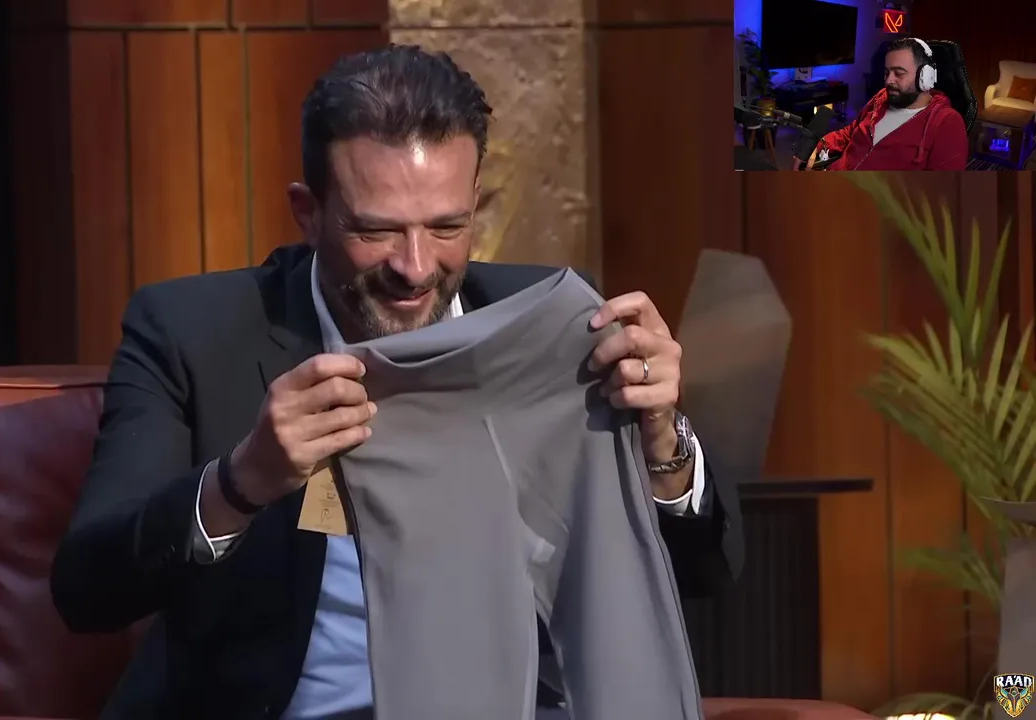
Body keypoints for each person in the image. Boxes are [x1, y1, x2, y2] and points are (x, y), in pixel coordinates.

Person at [50, 44, 743, 719]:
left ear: (477, 203)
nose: (414, 267)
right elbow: (87, 590)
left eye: (446, 226)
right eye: (375, 230)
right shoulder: (190, 333)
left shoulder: (551, 325)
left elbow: (708, 572)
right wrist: (242, 481)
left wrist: (661, 441)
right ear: (308, 212)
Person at [803, 37, 968, 171]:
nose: (889, 80)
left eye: (899, 73)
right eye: (886, 72)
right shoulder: (881, 98)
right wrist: (819, 145)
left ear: (925, 77)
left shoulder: (947, 122)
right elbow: (851, 133)